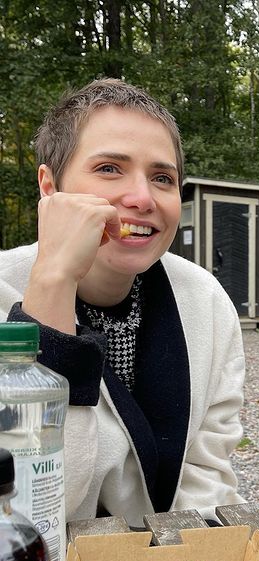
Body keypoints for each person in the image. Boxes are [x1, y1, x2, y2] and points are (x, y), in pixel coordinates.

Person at [0, 79, 246, 526]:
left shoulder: (206, 303)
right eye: (110, 168)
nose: (142, 198)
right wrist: (53, 284)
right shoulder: (3, 291)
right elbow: (29, 510)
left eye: (162, 178)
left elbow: (207, 477)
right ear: (49, 186)